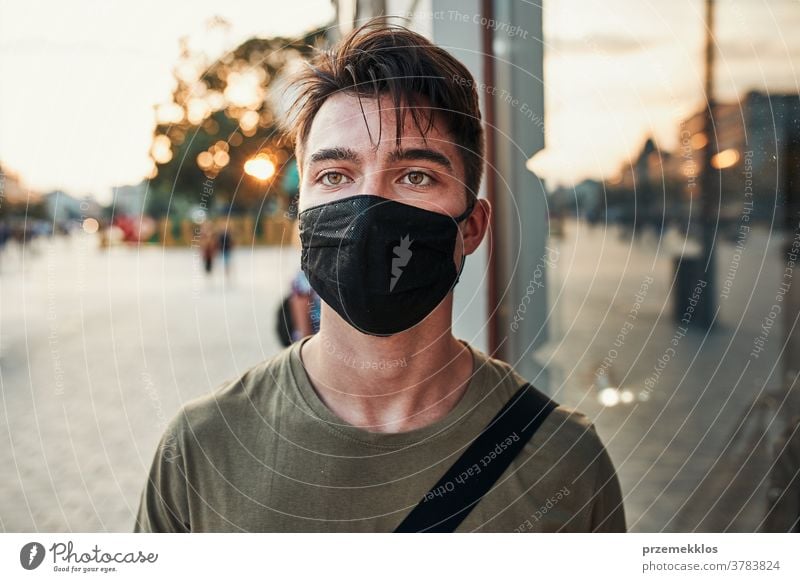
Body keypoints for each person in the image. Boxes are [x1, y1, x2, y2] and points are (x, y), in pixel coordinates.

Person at [134, 21, 626, 533]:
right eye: (334, 176)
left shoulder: (567, 463)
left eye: (416, 176)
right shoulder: (200, 450)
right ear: (301, 217)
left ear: (471, 228)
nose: (368, 209)